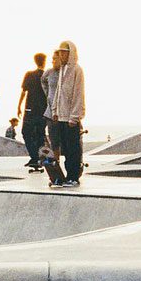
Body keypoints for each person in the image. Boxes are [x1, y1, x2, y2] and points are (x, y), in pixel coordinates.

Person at [52, 41, 85, 187]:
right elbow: (58, 92)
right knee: (65, 147)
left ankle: (74, 176)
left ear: (70, 53)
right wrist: (55, 110)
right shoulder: (62, 70)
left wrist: (75, 116)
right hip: (61, 116)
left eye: (64, 52)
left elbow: (78, 94)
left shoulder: (77, 70)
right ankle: (67, 175)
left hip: (71, 117)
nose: (61, 55)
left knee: (73, 148)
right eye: (60, 52)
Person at [17, 53, 47, 167]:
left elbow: (23, 92)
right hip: (43, 110)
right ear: (44, 62)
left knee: (26, 132)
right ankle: (39, 158)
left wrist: (18, 106)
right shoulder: (46, 75)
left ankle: (35, 157)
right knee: (40, 134)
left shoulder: (29, 75)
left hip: (30, 109)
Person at [41, 50, 62, 160]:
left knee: (65, 140)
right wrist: (49, 95)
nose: (53, 61)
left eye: (55, 59)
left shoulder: (65, 72)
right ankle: (56, 160)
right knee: (54, 140)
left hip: (63, 112)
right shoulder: (48, 73)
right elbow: (43, 82)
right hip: (50, 112)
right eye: (52, 59)